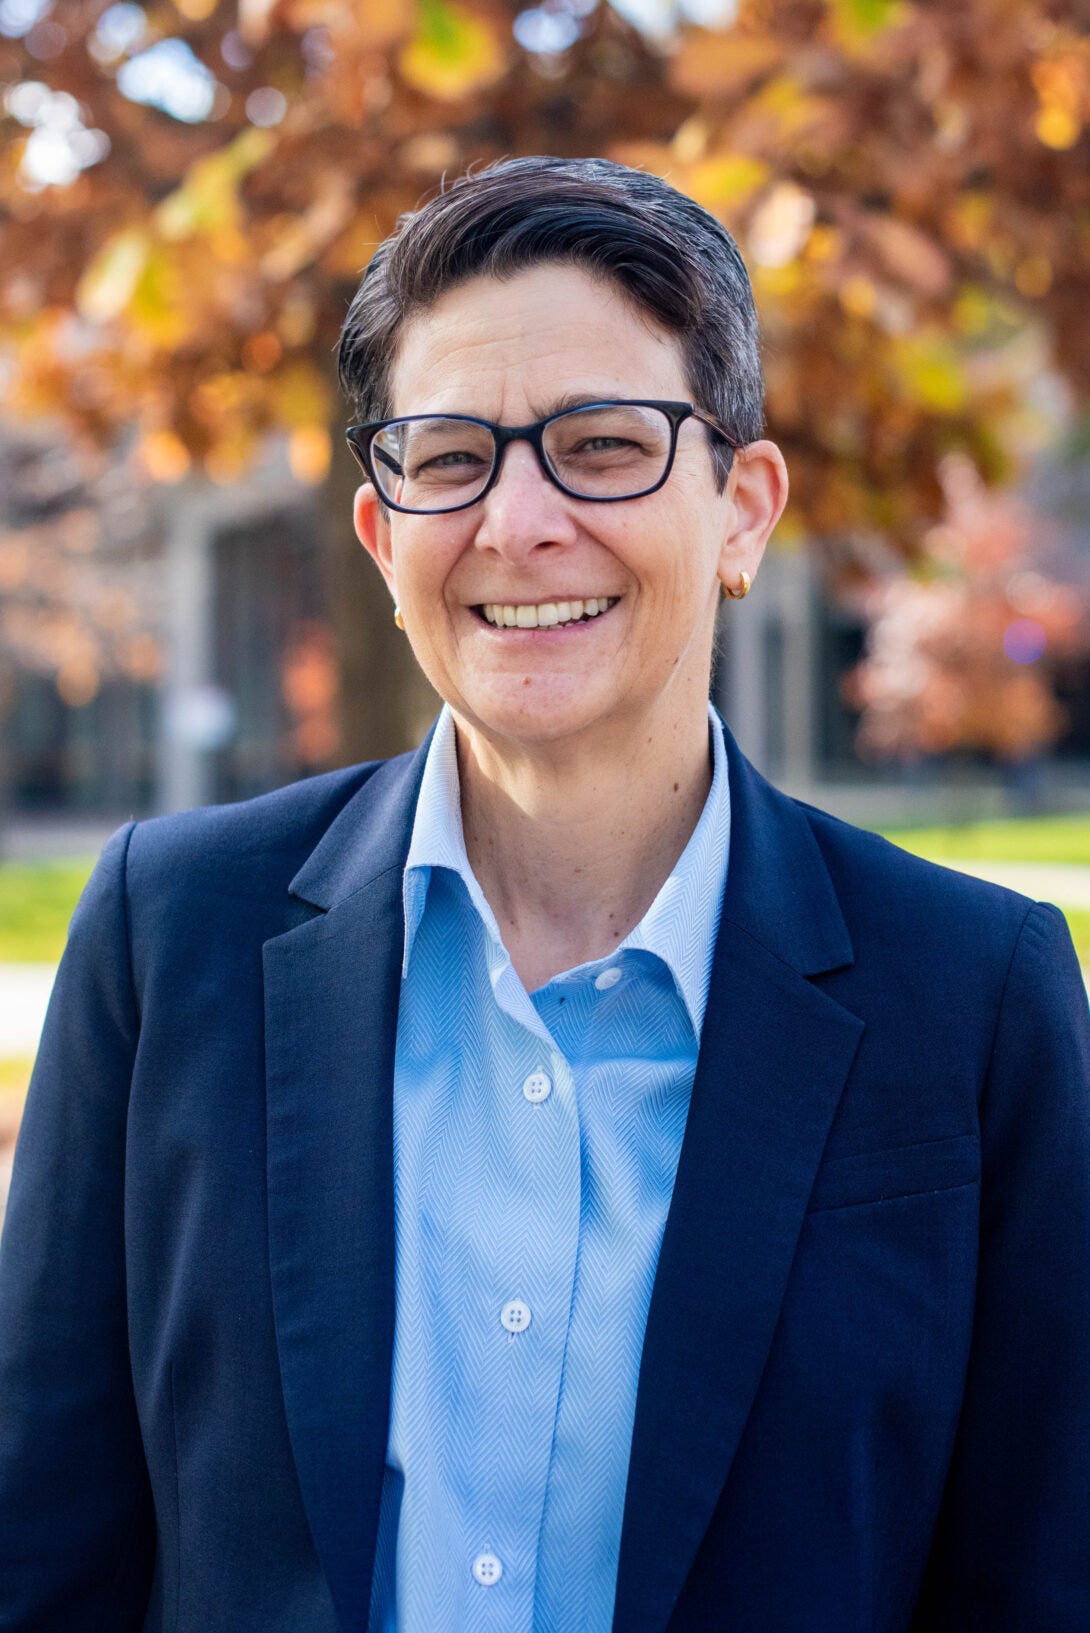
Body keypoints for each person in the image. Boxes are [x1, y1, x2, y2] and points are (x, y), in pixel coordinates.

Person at [0, 156, 1088, 1633]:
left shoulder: (972, 994)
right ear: (385, 542)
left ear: (742, 511)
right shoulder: (166, 933)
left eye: (599, 443)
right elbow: (45, 1548)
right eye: (449, 457)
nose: (516, 520)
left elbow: (1033, 1572)